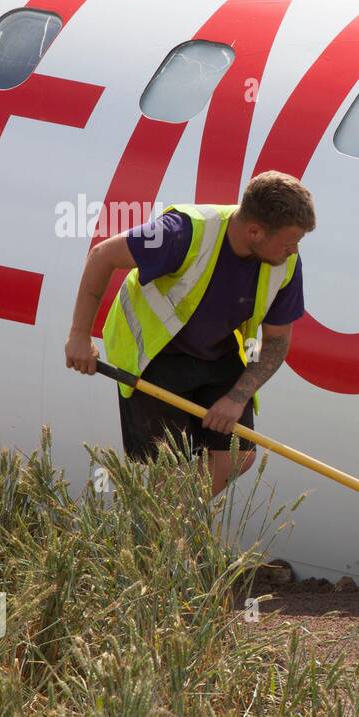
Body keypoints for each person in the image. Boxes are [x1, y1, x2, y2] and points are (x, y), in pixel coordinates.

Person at [64, 171, 315, 495]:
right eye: (289, 242)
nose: (293, 251)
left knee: (238, 455)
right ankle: (164, 537)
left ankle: (167, 529)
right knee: (170, 465)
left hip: (217, 353)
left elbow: (278, 341)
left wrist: (236, 398)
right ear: (255, 231)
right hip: (155, 354)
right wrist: (80, 336)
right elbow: (103, 256)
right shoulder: (185, 232)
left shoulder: (285, 263)